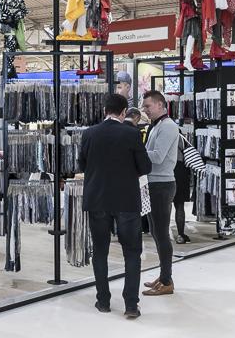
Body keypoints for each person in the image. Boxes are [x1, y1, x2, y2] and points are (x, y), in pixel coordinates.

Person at [79, 93, 152, 318]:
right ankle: (131, 305)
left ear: (104, 111)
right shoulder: (131, 134)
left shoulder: (89, 133)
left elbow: (82, 165)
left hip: (97, 199)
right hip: (126, 200)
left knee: (100, 251)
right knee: (132, 251)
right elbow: (145, 167)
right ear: (123, 113)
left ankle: (103, 301)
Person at [139, 90, 179, 296]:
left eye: (148, 106)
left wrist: (135, 151)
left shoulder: (168, 126)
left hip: (162, 186)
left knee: (161, 233)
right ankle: (164, 275)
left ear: (161, 105)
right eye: (144, 106)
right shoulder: (157, 126)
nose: (145, 110)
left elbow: (158, 156)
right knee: (156, 232)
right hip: (154, 184)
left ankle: (166, 281)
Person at [173, 138, 191, 244]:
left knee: (163, 206)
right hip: (180, 170)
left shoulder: (159, 134)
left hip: (164, 169)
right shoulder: (181, 139)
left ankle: (162, 235)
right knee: (179, 205)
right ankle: (180, 235)